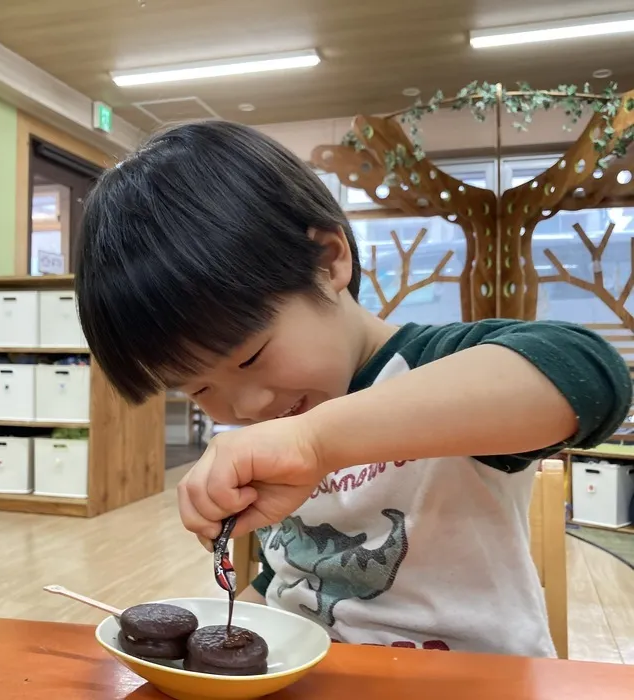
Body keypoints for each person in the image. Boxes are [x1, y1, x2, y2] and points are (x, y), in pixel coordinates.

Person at [75, 120, 631, 658]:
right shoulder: (269, 429)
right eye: (199, 389)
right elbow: (284, 580)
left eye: (251, 356)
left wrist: (315, 442)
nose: (243, 407)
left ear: (328, 261)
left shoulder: (434, 366)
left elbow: (586, 375)